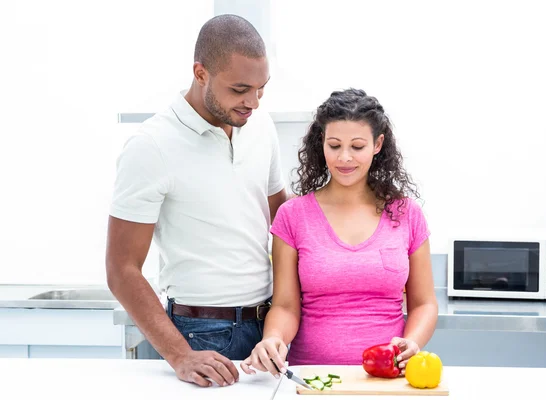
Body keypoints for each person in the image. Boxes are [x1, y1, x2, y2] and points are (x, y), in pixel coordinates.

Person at [105, 14, 287, 388]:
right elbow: (121, 268)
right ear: (200, 73)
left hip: (269, 331)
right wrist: (179, 354)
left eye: (261, 88)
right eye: (239, 89)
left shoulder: (260, 126)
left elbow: (284, 221)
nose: (252, 102)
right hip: (198, 333)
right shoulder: (151, 146)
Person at [240, 88, 438, 377]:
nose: (344, 157)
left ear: (378, 144)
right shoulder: (293, 215)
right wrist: (273, 338)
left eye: (357, 147)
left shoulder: (407, 214)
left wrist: (412, 342)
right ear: (321, 142)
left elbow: (424, 303)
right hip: (311, 377)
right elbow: (285, 306)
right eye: (334, 145)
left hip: (387, 379)